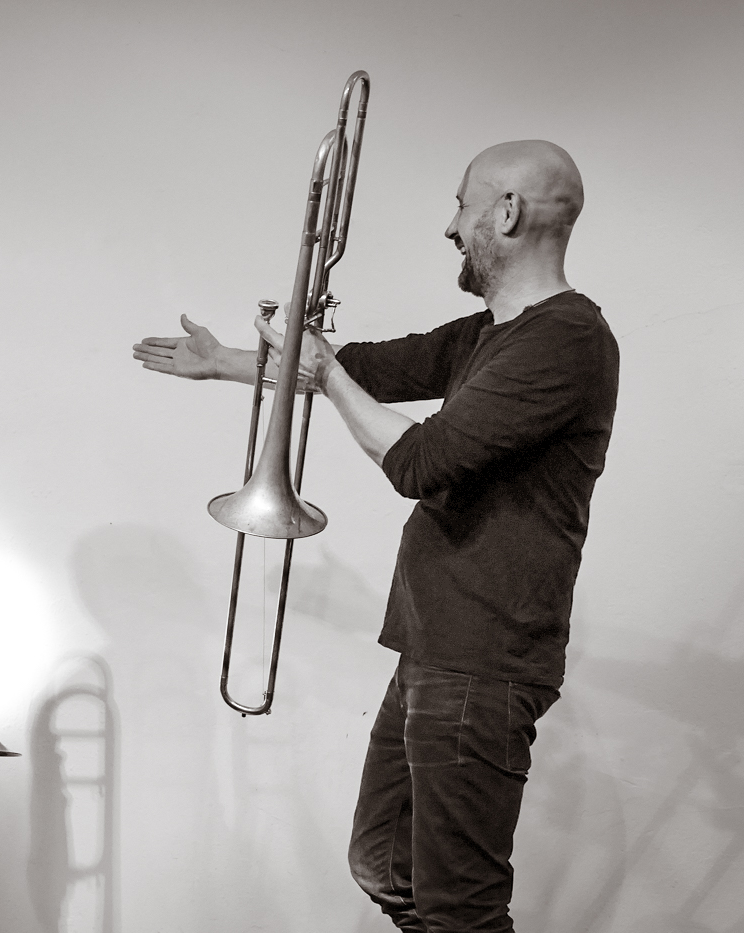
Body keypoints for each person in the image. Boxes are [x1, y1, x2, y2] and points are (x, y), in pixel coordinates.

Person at [133, 140, 619, 932]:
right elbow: (369, 367)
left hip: (484, 661)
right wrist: (226, 362)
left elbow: (421, 460)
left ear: (506, 213)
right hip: (434, 648)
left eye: (462, 204)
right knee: (384, 862)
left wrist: (326, 373)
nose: (450, 227)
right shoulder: (487, 335)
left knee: (461, 906)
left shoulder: (566, 339)